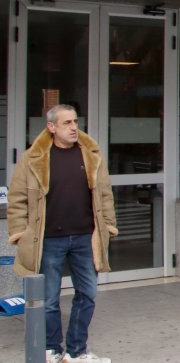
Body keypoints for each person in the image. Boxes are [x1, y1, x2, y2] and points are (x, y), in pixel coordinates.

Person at [7, 105, 118, 363]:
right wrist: (19, 233)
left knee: (88, 294)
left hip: (85, 238)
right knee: (48, 299)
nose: (73, 127)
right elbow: (17, 198)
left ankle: (76, 351)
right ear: (51, 127)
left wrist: (109, 224)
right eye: (66, 123)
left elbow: (104, 193)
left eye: (75, 121)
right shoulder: (33, 158)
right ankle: (52, 349)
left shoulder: (91, 155)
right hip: (48, 239)